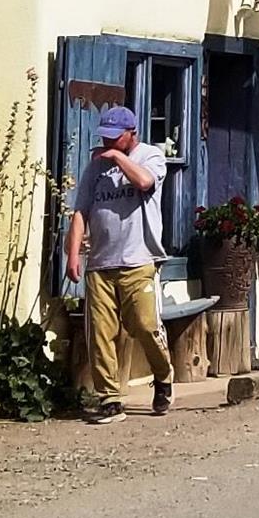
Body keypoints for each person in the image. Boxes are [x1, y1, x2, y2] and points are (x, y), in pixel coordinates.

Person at [64, 104, 173, 422]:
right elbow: (81, 211)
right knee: (100, 332)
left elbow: (144, 183)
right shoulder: (94, 167)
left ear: (132, 133)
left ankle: (163, 376)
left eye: (116, 137)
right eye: (106, 138)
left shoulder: (150, 156)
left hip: (139, 259)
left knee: (144, 325)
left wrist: (118, 159)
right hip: (100, 261)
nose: (109, 143)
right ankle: (110, 398)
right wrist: (73, 255)